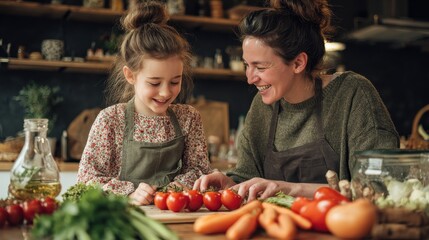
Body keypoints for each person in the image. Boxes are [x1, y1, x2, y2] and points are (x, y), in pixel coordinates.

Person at [194, 0, 399, 201]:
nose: (250, 78)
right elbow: (248, 176)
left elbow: (379, 187)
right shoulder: (262, 106)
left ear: (298, 63)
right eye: (247, 65)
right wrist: (231, 184)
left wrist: (290, 189)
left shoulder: (351, 94)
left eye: (261, 67)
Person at [77, 1, 212, 205]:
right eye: (154, 82)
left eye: (175, 81)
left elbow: (200, 170)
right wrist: (129, 192)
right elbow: (86, 180)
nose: (166, 92)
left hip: (173, 216)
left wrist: (174, 188)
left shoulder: (189, 118)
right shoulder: (110, 120)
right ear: (130, 76)